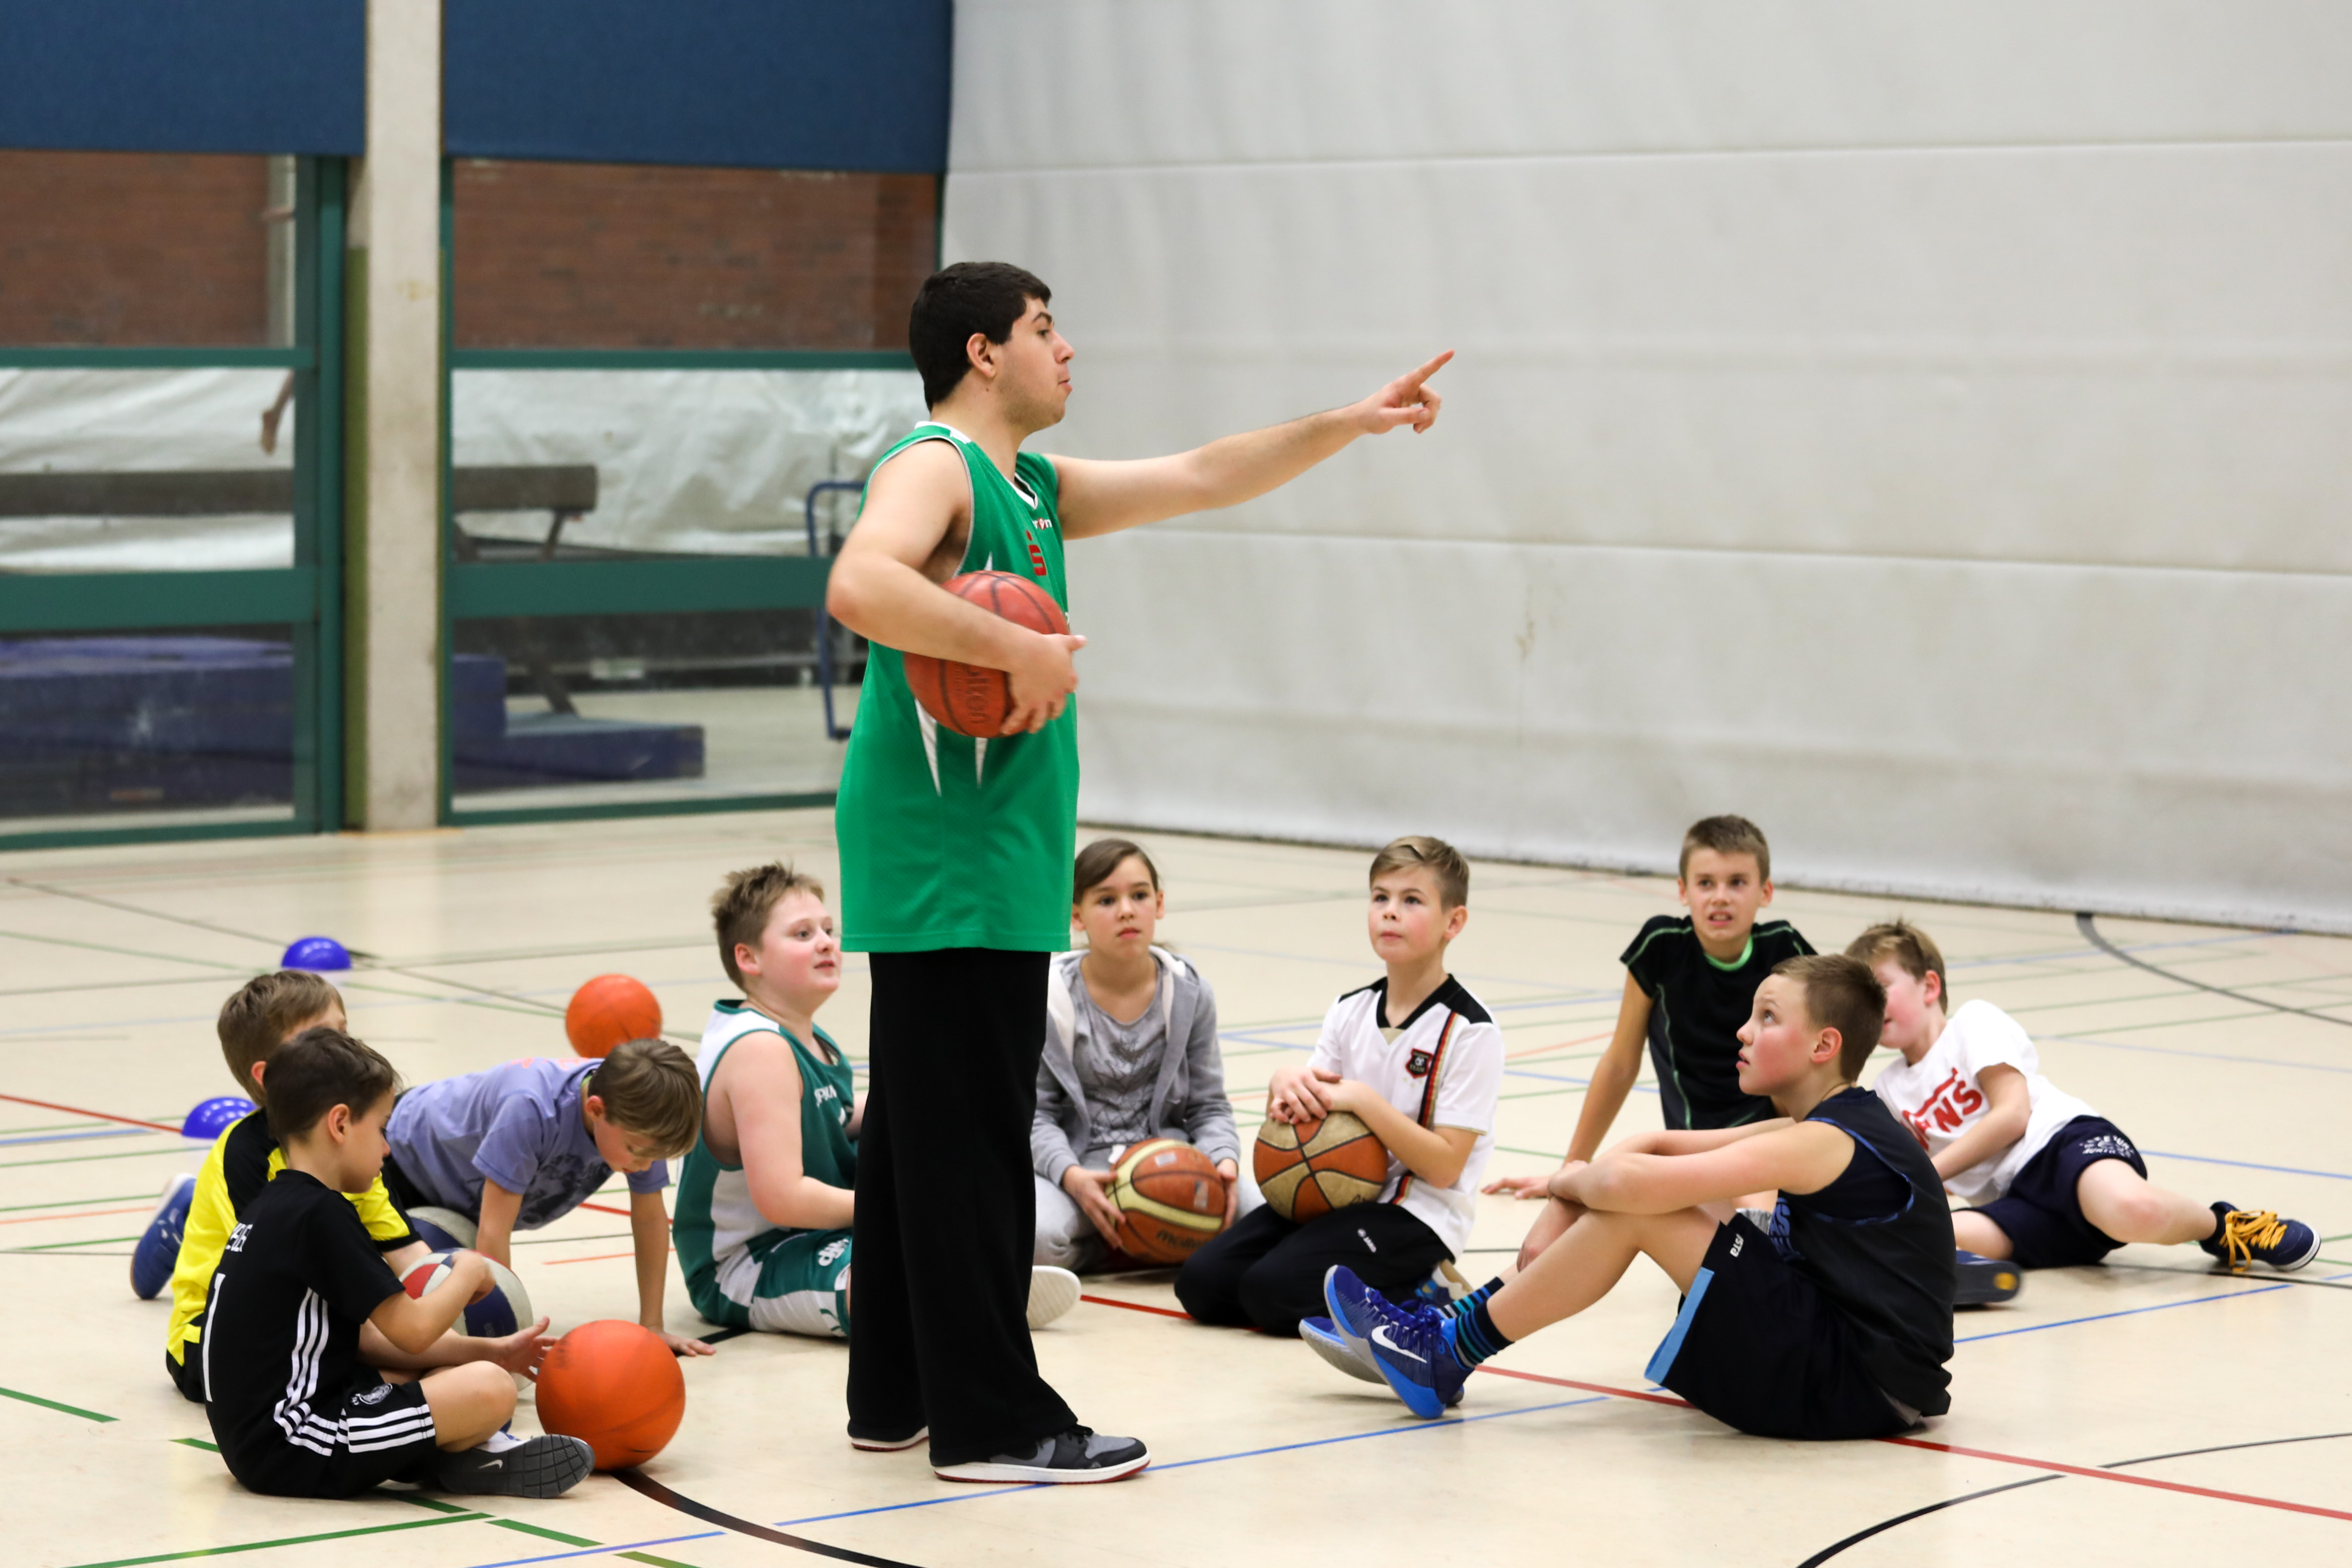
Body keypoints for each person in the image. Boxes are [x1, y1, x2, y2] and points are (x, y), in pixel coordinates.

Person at [824, 259, 1448, 1484]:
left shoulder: (1031, 484)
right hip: (954, 852)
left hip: (977, 849)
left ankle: (894, 1391)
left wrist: (1349, 421)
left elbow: (1204, 473)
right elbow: (859, 581)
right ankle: (994, 1424)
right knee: (968, 1145)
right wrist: (1016, 646)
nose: (1066, 349)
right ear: (982, 353)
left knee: (913, 1135)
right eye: (1043, 328)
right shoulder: (936, 463)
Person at [1323, 956, 1956, 1440]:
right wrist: (1567, 1199)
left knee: (1643, 1211)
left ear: (1824, 1046)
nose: (1743, 1031)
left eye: (1767, 1017)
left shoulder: (1823, 1140)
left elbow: (1626, 1186)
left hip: (1858, 1385)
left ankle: (1445, 1352)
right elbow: (1653, 1145)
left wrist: (1566, 1183)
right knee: (1661, 1198)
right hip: (1847, 1363)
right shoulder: (1826, 1123)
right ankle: (1445, 1334)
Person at [672, 863, 1083, 1342]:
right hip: (749, 1262)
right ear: (748, 958)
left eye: (828, 930)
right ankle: (964, 1298)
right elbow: (783, 1199)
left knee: (930, 1147)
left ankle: (963, 1290)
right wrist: (900, 1206)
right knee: (885, 1278)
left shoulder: (805, 1036)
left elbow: (837, 1115)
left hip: (814, 1235)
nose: (826, 943)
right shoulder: (758, 1049)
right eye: (803, 934)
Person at [198, 1025, 589, 1499]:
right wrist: (468, 1269)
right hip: (295, 1446)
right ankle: (467, 1456)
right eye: (381, 1129)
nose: (387, 1148)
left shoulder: (276, 1205)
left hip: (259, 1439)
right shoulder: (322, 1215)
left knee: (429, 1374)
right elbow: (413, 1330)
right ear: (340, 1125)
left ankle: (456, 1456)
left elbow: (369, 1340)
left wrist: (494, 1350)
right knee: (491, 1389)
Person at [1851, 918, 2317, 1275]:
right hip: (2013, 1204)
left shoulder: (1973, 1023)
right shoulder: (1888, 1089)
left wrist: (1926, 1176)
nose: (1872, 1004)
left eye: (1881, 987)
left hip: (2061, 1148)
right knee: (1927, 1236)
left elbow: (2013, 1116)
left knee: (2132, 1211)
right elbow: (1939, 1174)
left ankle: (2225, 1227)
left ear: (1930, 986)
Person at [1177, 837, 1501, 1337]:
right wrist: (1283, 1086)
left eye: (1412, 900)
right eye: (1380, 897)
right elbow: (1309, 1115)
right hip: (1334, 1193)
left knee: (1270, 1293)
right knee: (1202, 1285)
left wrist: (1364, 1101)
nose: (1390, 911)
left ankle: (1427, 1290)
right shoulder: (1349, 1009)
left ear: (1453, 923)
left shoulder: (1471, 1030)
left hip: (1417, 1215)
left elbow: (1444, 1168)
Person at [1488, 814, 1813, 1267]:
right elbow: (1621, 1063)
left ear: (1765, 892)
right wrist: (1571, 1167)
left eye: (1737, 882)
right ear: (1683, 890)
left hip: (1766, 1141)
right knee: (1607, 1205)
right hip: (1689, 1149)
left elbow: (1814, 1064)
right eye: (1706, 883)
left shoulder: (1785, 949)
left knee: (1758, 1209)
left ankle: (1767, 1268)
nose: (1720, 896)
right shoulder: (1661, 945)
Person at [153, 971, 429, 1403]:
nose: (346, 1049)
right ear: (269, 1077)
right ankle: (189, 1217)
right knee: (403, 1373)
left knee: (418, 1365)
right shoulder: (245, 1156)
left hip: (309, 1319)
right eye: (322, 1038)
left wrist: (456, 1298)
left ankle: (191, 1211)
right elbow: (318, 1304)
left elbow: (409, 1256)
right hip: (214, 1341)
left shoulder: (355, 1148)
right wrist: (447, 1343)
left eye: (345, 1033)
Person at [378, 1038, 712, 1356]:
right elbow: (494, 1232)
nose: (646, 1167)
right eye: (637, 1151)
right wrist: (507, 1341)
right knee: (396, 1320)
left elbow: (650, 1220)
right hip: (399, 1159)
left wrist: (652, 1325)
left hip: (459, 1195)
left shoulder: (640, 1123)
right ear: (596, 1110)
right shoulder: (530, 1110)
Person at [1034, 838, 1241, 1271]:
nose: (1126, 910)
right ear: (1076, 916)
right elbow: (1036, 1116)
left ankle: (1143, 1237)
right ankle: (1129, 1247)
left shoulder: (1188, 992)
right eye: (1106, 900)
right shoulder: (1049, 999)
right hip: (1083, 1172)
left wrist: (1223, 1160)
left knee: (1259, 1214)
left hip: (1171, 1165)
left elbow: (1209, 1107)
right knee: (1037, 1239)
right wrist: (1070, 1175)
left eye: (1139, 895)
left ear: (1159, 903)